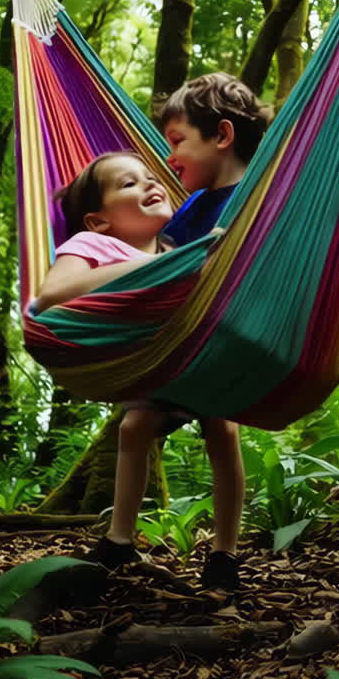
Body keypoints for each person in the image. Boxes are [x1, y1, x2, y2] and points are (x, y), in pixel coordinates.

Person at [97, 72, 268, 594]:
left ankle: (224, 554)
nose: (167, 157)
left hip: (231, 336)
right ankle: (119, 542)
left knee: (222, 429)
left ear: (221, 135)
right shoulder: (191, 208)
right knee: (132, 428)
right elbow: (165, 261)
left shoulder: (261, 197)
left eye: (176, 142)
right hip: (182, 340)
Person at [33, 151, 173, 315]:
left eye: (152, 178)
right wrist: (155, 265)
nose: (151, 184)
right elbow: (50, 297)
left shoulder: (175, 248)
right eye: (129, 184)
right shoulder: (90, 243)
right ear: (98, 222)